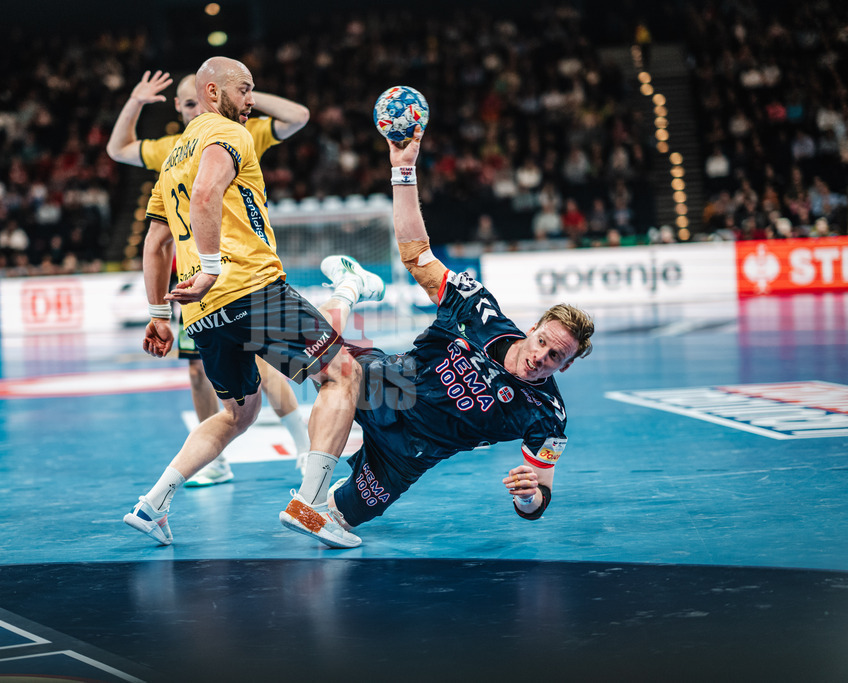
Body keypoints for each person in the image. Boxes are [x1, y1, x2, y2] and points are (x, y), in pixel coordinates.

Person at [125, 57, 383, 549]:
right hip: (251, 289)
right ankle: (309, 506)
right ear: (212, 91)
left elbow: (154, 245)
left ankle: (152, 503)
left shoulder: (173, 155)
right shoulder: (228, 132)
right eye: (244, 89)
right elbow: (205, 196)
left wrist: (160, 314)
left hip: (203, 315)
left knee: (236, 414)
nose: (250, 100)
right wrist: (212, 269)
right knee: (342, 373)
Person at [308, 128, 594, 541]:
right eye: (543, 342)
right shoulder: (478, 308)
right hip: (393, 384)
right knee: (305, 349)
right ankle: (350, 286)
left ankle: (326, 499)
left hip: (410, 454)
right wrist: (403, 170)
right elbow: (417, 255)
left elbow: (540, 495)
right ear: (532, 329)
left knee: (337, 520)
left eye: (555, 357)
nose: (540, 356)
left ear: (565, 368)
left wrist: (527, 496)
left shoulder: (548, 416)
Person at [108, 69, 314, 486]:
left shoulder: (240, 129)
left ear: (207, 97)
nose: (187, 110)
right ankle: (218, 463)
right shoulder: (173, 149)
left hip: (234, 276)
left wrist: (246, 95)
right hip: (200, 283)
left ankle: (304, 447)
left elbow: (297, 116)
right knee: (200, 372)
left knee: (270, 366)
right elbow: (119, 149)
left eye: (192, 101)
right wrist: (135, 101)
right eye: (181, 105)